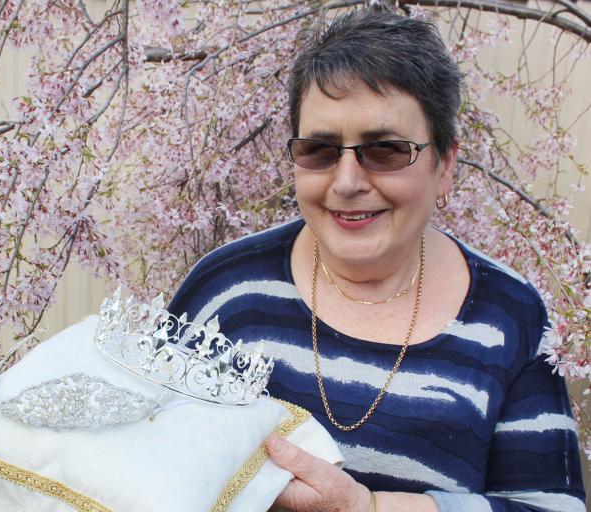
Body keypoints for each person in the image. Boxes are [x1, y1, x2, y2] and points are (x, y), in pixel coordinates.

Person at [167, 9, 585, 512]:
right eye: (320, 150)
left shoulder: (510, 316)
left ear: (445, 162)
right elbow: (142, 461)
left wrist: (369, 508)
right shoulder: (225, 289)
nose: (346, 182)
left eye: (384, 150)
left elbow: (550, 507)